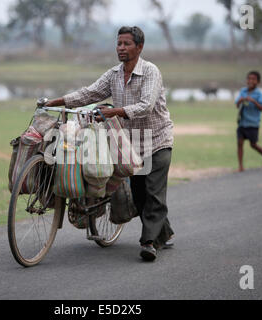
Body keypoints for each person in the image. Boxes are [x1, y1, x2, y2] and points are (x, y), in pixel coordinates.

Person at [46, 26, 174, 262]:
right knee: (139, 195)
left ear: (139, 47)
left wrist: (113, 111)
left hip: (157, 139)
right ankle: (164, 233)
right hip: (131, 143)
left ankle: (148, 243)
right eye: (119, 43)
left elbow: (145, 106)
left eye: (126, 44)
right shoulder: (114, 74)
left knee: (154, 192)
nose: (121, 48)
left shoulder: (150, 72)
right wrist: (58, 101)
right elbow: (90, 93)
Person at [235, 71, 262, 172]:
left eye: (253, 79)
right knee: (239, 143)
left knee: (253, 145)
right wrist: (241, 100)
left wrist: (253, 101)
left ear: (258, 82)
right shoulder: (243, 91)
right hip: (242, 122)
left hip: (253, 123)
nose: (250, 81)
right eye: (249, 78)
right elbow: (237, 104)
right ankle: (241, 166)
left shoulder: (259, 94)